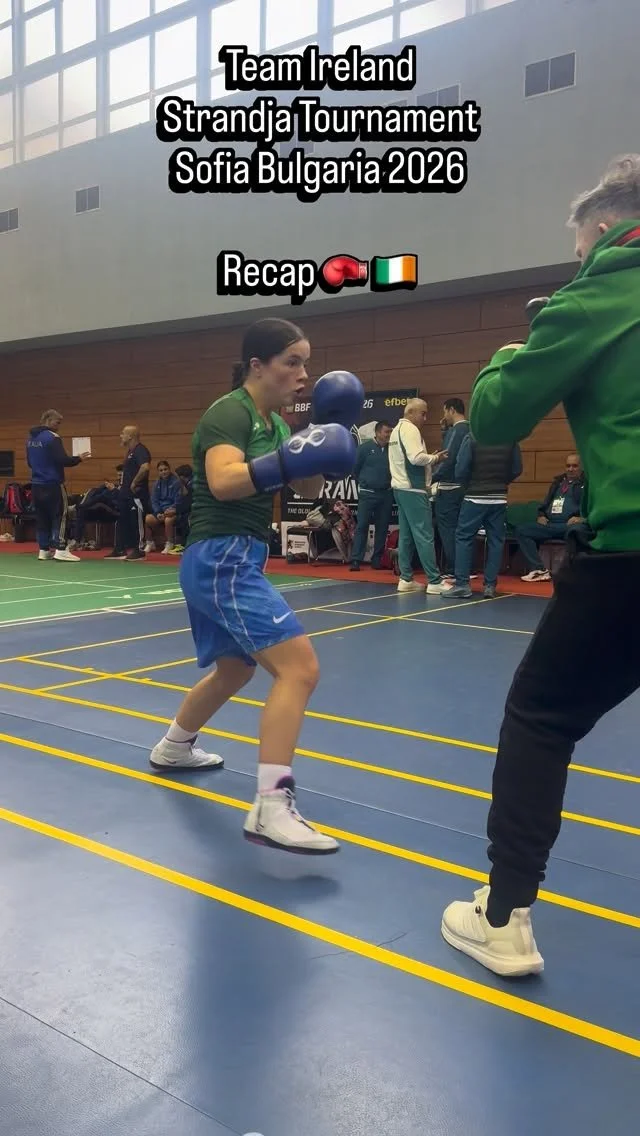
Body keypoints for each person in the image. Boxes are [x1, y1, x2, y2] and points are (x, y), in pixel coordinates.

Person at [441, 154, 640, 976]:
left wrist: (511, 348)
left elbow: (494, 415)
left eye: (579, 249)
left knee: (541, 717)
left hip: (631, 554)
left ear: (605, 229)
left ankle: (502, 917)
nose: (579, 262)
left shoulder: (597, 294)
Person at [148, 317, 359, 854]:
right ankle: (271, 805)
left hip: (227, 560)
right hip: (222, 558)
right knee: (300, 669)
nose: (304, 374)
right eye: (293, 361)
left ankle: (174, 746)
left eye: (306, 363)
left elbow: (304, 484)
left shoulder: (278, 425)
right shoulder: (230, 412)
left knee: (235, 669)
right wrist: (288, 458)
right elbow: (223, 482)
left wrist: (327, 437)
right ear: (258, 366)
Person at [441, 436, 523, 599]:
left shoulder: (472, 438)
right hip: (499, 497)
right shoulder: (510, 439)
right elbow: (516, 469)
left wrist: (469, 486)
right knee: (496, 541)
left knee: (464, 537)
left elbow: (461, 469)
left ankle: (462, 585)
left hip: (474, 496)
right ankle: (490, 586)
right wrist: (501, 483)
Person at [388, 399, 447, 594]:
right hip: (413, 490)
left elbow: (410, 458)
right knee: (425, 535)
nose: (425, 418)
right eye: (423, 413)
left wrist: (428, 458)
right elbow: (416, 458)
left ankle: (406, 578)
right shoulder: (410, 430)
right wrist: (435, 458)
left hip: (400, 489)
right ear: (411, 412)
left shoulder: (396, 430)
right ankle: (435, 581)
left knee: (406, 537)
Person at [26, 409, 91, 562]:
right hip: (53, 484)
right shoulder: (53, 438)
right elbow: (62, 460)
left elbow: (29, 462)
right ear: (48, 420)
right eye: (57, 422)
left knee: (42, 517)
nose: (59, 426)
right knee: (60, 515)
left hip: (36, 485)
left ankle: (43, 550)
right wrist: (79, 459)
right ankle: (61, 549)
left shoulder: (30, 439)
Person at [515, 454, 585, 581]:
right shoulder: (558, 483)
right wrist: (541, 515)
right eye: (568, 466)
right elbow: (545, 504)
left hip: (570, 526)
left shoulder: (586, 484)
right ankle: (539, 569)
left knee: (578, 531)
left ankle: (573, 575)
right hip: (550, 525)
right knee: (522, 530)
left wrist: (582, 518)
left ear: (581, 467)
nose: (570, 469)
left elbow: (592, 507)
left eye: (574, 466)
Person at [432, 398, 470, 578]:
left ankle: (453, 569)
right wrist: (445, 431)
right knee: (460, 529)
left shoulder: (457, 430)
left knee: (447, 529)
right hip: (463, 487)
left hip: (449, 487)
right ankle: (462, 567)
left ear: (452, 410)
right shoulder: (469, 429)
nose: (444, 415)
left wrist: (431, 478)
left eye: (445, 411)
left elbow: (448, 457)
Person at [349, 420, 393, 571]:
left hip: (386, 494)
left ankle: (377, 560)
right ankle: (356, 560)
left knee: (382, 528)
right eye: (386, 432)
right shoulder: (364, 448)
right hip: (367, 494)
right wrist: (365, 482)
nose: (389, 435)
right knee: (362, 526)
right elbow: (355, 469)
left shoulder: (392, 449)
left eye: (390, 432)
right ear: (378, 432)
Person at [105, 426, 151, 561]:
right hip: (125, 494)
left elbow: (145, 467)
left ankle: (139, 550)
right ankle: (119, 549)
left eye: (123, 433)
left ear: (130, 436)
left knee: (136, 522)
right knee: (121, 520)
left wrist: (134, 482)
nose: (121, 436)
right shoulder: (130, 452)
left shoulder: (140, 450)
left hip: (136, 494)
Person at [70, 464, 123, 549]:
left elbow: (122, 500)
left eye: (120, 475)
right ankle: (77, 540)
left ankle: (78, 506)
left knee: (101, 497)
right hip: (105, 510)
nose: (118, 478)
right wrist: (106, 487)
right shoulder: (117, 486)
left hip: (116, 511)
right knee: (93, 492)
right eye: (118, 475)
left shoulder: (129, 486)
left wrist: (114, 490)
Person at [145, 460, 183, 553]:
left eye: (165, 469)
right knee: (148, 518)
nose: (163, 472)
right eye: (161, 470)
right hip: (160, 512)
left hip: (172, 511)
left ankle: (170, 543)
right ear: (158, 472)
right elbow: (154, 500)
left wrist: (167, 512)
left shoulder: (176, 482)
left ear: (169, 469)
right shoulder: (157, 483)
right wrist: (158, 512)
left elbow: (178, 501)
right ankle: (150, 543)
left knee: (168, 520)